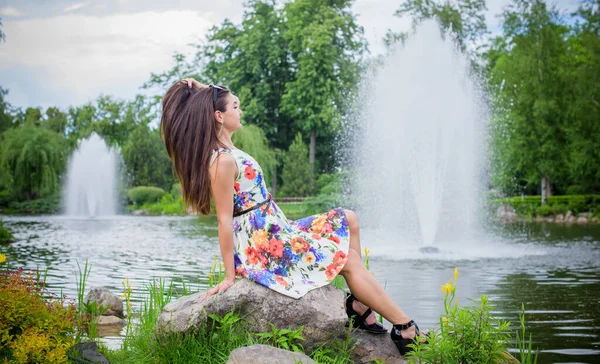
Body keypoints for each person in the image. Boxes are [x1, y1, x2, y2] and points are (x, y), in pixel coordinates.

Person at [159, 78, 425, 355]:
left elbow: (211, 101)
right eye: (235, 106)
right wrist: (229, 275)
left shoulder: (229, 150)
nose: (240, 111)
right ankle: (405, 327)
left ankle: (359, 304)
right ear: (219, 116)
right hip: (262, 245)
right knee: (348, 259)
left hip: (277, 228)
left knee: (348, 218)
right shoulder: (222, 161)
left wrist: (201, 87)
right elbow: (225, 221)